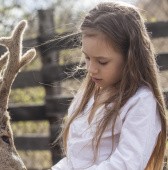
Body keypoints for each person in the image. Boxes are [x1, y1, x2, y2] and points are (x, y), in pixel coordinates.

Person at [51, 2, 167, 170]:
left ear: (130, 57)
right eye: (87, 58)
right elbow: (75, 161)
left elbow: (127, 164)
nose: (91, 69)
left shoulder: (141, 101)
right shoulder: (87, 96)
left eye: (102, 61)